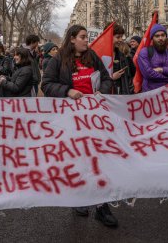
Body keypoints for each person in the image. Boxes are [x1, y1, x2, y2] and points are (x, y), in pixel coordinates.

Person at [42, 24, 116, 227]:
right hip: (72, 120)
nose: (87, 40)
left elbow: (107, 79)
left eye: (87, 37)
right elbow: (46, 84)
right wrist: (67, 91)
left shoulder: (92, 56)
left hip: (95, 118)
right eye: (83, 37)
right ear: (72, 38)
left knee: (99, 160)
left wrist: (101, 91)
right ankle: (80, 198)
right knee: (79, 160)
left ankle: (102, 206)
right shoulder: (59, 59)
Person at [137, 24, 168, 92]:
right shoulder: (144, 52)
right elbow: (148, 74)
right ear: (152, 38)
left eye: (163, 35)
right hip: (150, 94)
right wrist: (167, 78)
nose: (160, 38)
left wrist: (162, 70)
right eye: (157, 36)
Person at [107, 23, 134, 94]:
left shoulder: (122, 56)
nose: (121, 40)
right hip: (105, 98)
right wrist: (111, 78)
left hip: (120, 97)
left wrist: (129, 95)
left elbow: (128, 79)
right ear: (108, 36)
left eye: (121, 37)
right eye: (118, 37)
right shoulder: (98, 55)